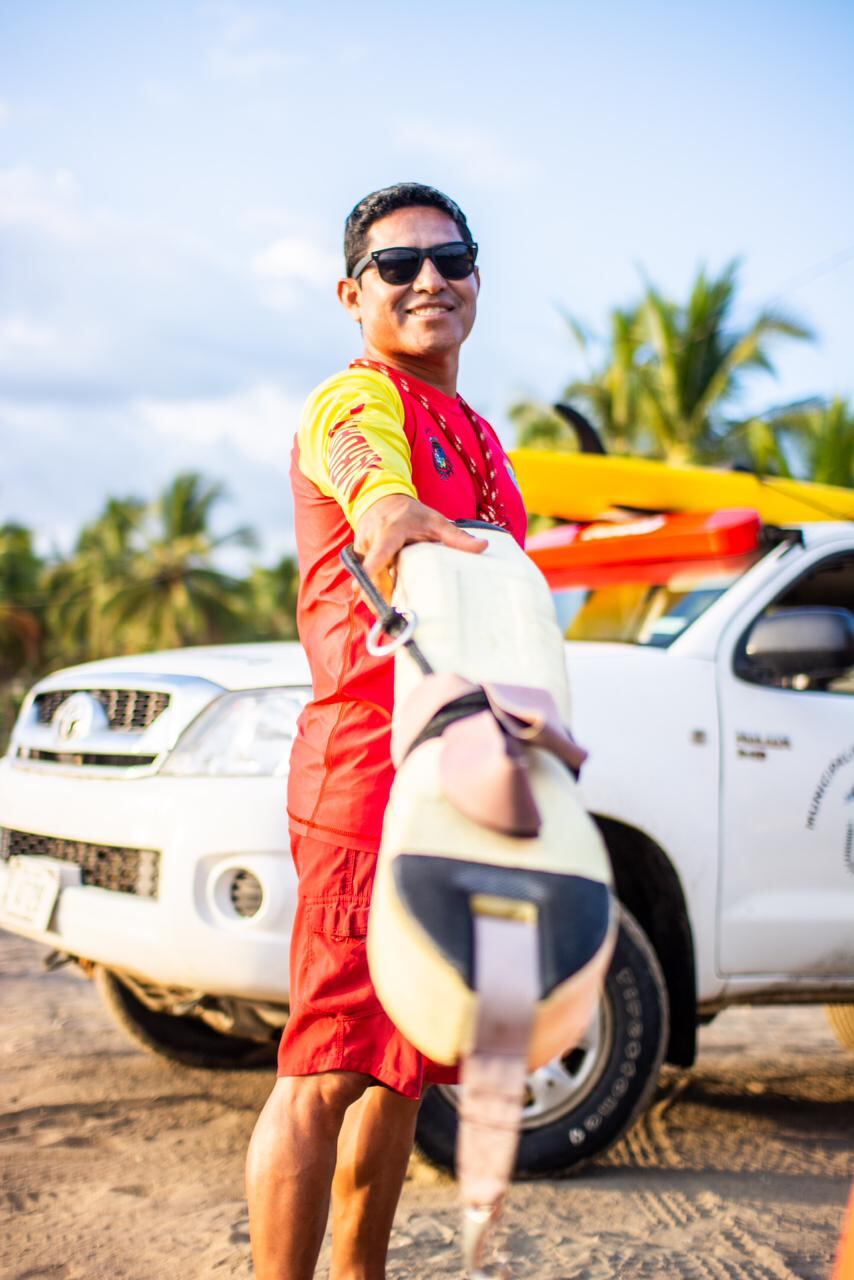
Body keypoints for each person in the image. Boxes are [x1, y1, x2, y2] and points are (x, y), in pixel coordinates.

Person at [246, 182, 527, 1280]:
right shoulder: (352, 400)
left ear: (474, 276)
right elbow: (366, 473)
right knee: (321, 1067)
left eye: (448, 258)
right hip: (368, 776)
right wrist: (381, 507)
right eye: (397, 266)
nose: (428, 281)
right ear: (349, 293)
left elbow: (502, 615)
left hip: (455, 775)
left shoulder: (479, 434)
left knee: (400, 1065)